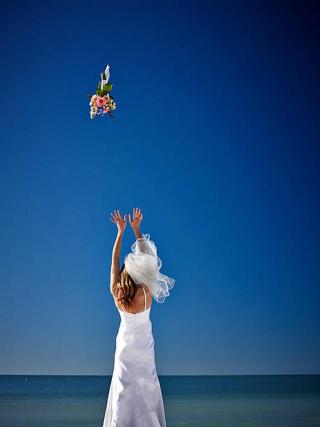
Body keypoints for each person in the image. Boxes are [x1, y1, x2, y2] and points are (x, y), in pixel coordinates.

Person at [102, 207, 175, 427]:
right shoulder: (146, 292)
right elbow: (149, 258)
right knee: (147, 386)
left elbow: (114, 259)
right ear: (140, 272)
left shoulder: (117, 293)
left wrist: (119, 232)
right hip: (144, 347)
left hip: (125, 345)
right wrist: (137, 230)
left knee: (123, 387)